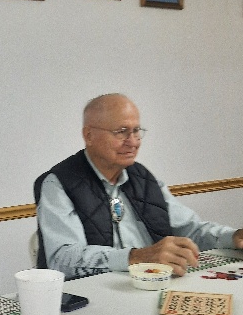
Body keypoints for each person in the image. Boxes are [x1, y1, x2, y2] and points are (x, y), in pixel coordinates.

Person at [35, 93, 243, 280]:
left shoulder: (143, 178)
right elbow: (61, 259)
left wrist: (232, 236)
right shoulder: (59, 183)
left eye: (136, 131)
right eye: (122, 132)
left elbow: (189, 230)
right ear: (88, 135)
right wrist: (137, 257)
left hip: (151, 285)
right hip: (96, 295)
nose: (133, 142)